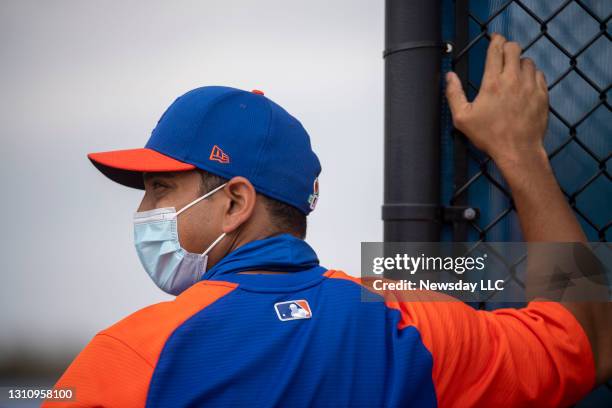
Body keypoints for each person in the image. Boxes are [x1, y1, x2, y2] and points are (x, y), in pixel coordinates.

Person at [44, 33, 610, 407]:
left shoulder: (134, 357)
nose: (145, 213)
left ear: (236, 203)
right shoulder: (409, 324)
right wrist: (521, 154)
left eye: (161, 189)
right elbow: (587, 341)